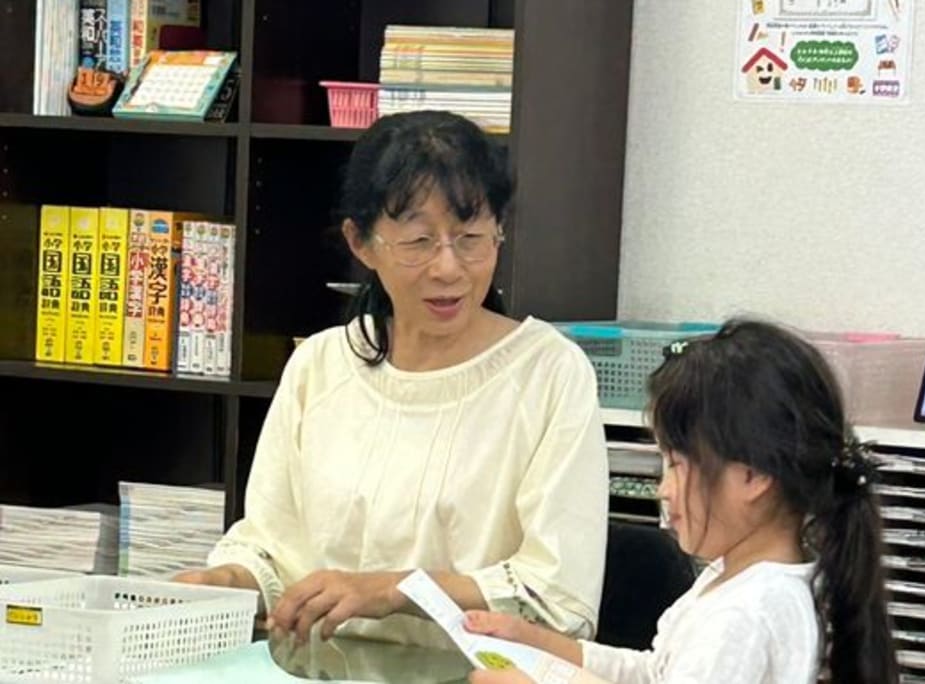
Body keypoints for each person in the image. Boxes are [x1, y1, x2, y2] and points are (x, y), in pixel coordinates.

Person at [175, 110, 609, 650]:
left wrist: (398, 590)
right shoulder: (321, 364)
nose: (448, 268)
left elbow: (559, 600)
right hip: (321, 670)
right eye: (418, 241)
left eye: (471, 237)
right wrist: (227, 582)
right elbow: (271, 551)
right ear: (361, 243)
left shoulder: (549, 373)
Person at [463, 319, 899, 684]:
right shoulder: (735, 578)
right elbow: (655, 673)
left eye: (676, 464)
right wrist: (540, 644)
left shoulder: (746, 614)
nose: (663, 488)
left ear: (752, 475)